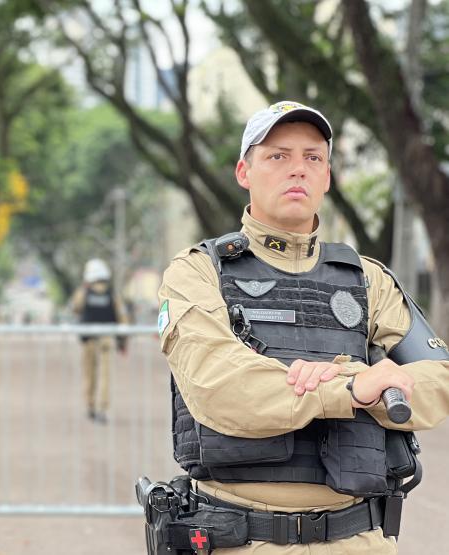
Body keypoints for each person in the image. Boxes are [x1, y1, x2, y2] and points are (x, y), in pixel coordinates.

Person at [154, 101, 449, 553]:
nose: (298, 169)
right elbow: (219, 385)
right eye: (277, 156)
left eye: (313, 157)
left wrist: (375, 387)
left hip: (359, 539)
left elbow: (438, 380)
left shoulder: (367, 280)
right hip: (241, 539)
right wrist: (351, 386)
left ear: (327, 176)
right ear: (244, 172)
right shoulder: (198, 272)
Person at [71, 258, 128, 423]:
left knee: (89, 374)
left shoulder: (84, 292)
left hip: (88, 339)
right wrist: (123, 340)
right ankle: (103, 409)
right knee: (105, 375)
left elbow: (75, 308)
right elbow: (122, 316)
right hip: (106, 339)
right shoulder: (112, 294)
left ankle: (90, 406)